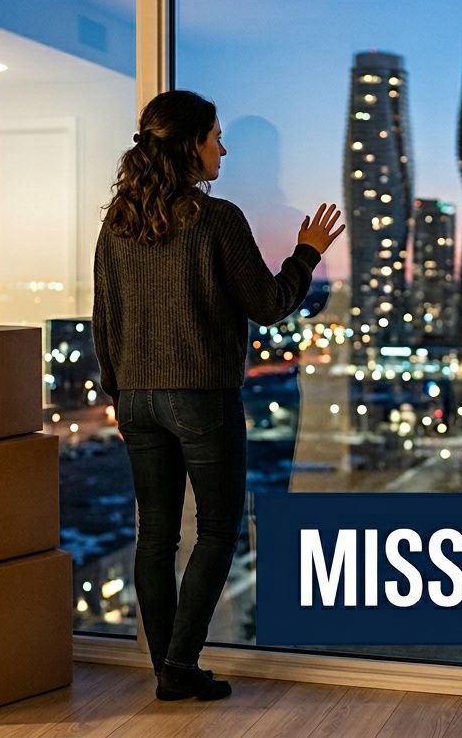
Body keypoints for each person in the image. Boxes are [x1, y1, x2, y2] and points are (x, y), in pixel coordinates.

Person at [91, 90, 344, 701]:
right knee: (218, 530)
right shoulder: (216, 219)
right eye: (216, 138)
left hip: (137, 399)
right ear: (191, 145)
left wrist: (119, 395)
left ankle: (166, 670)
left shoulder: (117, 223)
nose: (222, 150)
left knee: (155, 537)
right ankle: (179, 666)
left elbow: (105, 319)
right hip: (201, 396)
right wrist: (308, 253)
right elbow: (269, 303)